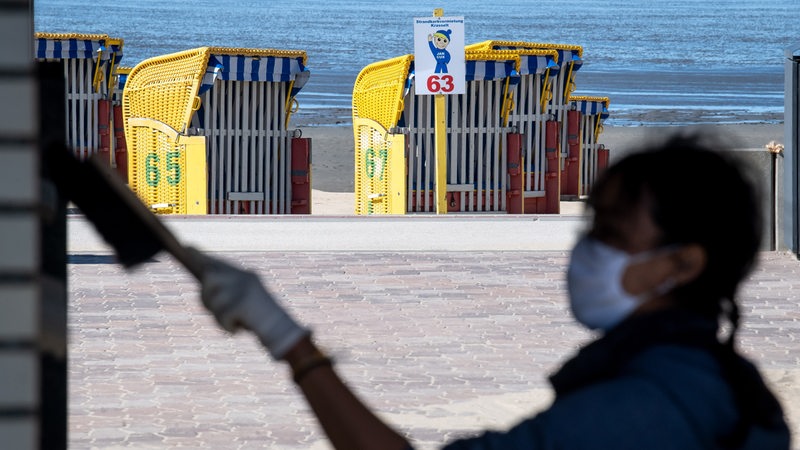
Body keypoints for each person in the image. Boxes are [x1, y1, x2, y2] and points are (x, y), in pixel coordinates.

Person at [190, 131, 791, 449]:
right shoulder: (724, 380)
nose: (586, 251)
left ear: (680, 265)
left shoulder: (639, 409)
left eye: (609, 234)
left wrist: (286, 339)